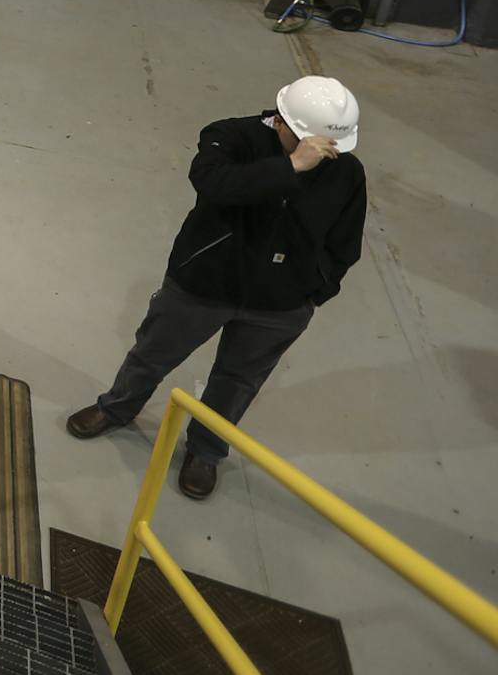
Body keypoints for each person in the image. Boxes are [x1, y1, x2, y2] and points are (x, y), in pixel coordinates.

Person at [65, 76, 367, 499]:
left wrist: (314, 291)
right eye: (309, 142)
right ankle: (116, 407)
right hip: (204, 285)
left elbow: (345, 242)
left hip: (279, 305)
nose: (322, 154)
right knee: (152, 352)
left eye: (330, 147)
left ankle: (206, 450)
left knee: (238, 380)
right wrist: (291, 167)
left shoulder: (347, 172)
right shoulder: (229, 136)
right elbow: (213, 185)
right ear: (279, 121)